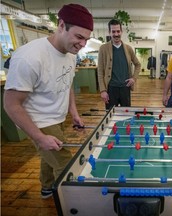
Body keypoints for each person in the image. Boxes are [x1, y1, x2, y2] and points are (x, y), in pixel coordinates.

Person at [3, 4, 93, 199]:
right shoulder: (29, 57)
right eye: (79, 37)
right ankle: (71, 203)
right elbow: (11, 104)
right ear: (61, 25)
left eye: (87, 39)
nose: (83, 44)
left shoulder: (70, 54)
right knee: (66, 165)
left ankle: (46, 187)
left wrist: (74, 113)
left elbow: (66, 82)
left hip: (58, 118)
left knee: (48, 153)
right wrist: (39, 137)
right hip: (40, 121)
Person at [97, 19, 141, 110]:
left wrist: (134, 78)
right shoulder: (103, 48)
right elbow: (100, 71)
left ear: (121, 31)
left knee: (127, 114)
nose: (116, 34)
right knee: (110, 115)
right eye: (113, 31)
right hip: (111, 89)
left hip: (125, 88)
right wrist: (103, 90)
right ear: (109, 32)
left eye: (118, 31)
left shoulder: (128, 49)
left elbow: (138, 64)